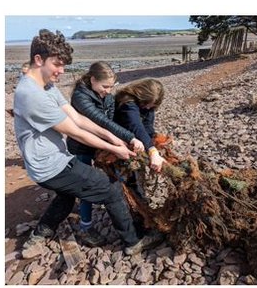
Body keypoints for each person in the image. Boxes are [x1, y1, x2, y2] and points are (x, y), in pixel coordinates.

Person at [13, 30, 159, 254]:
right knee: (109, 189)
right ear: (38, 59)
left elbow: (78, 118)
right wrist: (114, 148)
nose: (61, 71)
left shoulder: (47, 86)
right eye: (57, 64)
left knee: (67, 194)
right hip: (48, 166)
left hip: (55, 159)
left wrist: (112, 137)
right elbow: (76, 132)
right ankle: (133, 241)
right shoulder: (32, 95)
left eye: (64, 65)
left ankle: (41, 233)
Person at [66, 62, 143, 241]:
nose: (109, 90)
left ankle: (134, 211)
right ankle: (85, 226)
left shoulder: (106, 95)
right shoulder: (80, 97)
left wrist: (128, 139)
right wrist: (130, 137)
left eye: (111, 86)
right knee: (87, 187)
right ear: (93, 80)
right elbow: (102, 122)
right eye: (105, 86)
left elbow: (112, 118)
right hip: (82, 147)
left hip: (102, 145)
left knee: (119, 178)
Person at [114, 78, 168, 175]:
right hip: (118, 139)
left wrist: (153, 142)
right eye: (146, 104)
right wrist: (152, 151)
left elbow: (147, 126)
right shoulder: (127, 101)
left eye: (151, 106)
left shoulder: (149, 106)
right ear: (141, 96)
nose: (147, 108)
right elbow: (135, 125)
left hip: (136, 141)